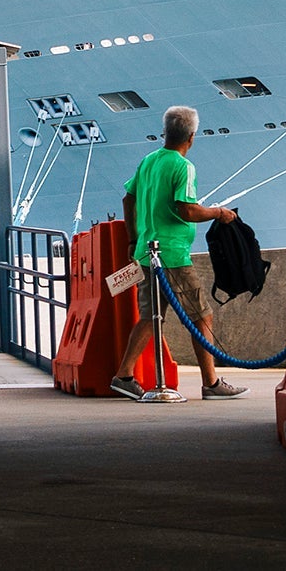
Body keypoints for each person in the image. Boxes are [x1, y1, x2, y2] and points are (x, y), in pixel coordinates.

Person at [109, 105, 247, 401]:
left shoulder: (148, 161)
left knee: (150, 316)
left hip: (146, 252)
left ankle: (124, 375)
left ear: (166, 133)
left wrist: (132, 240)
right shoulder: (183, 167)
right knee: (201, 316)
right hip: (172, 255)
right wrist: (218, 213)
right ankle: (211, 384)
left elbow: (128, 198)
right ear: (191, 137)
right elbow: (186, 209)